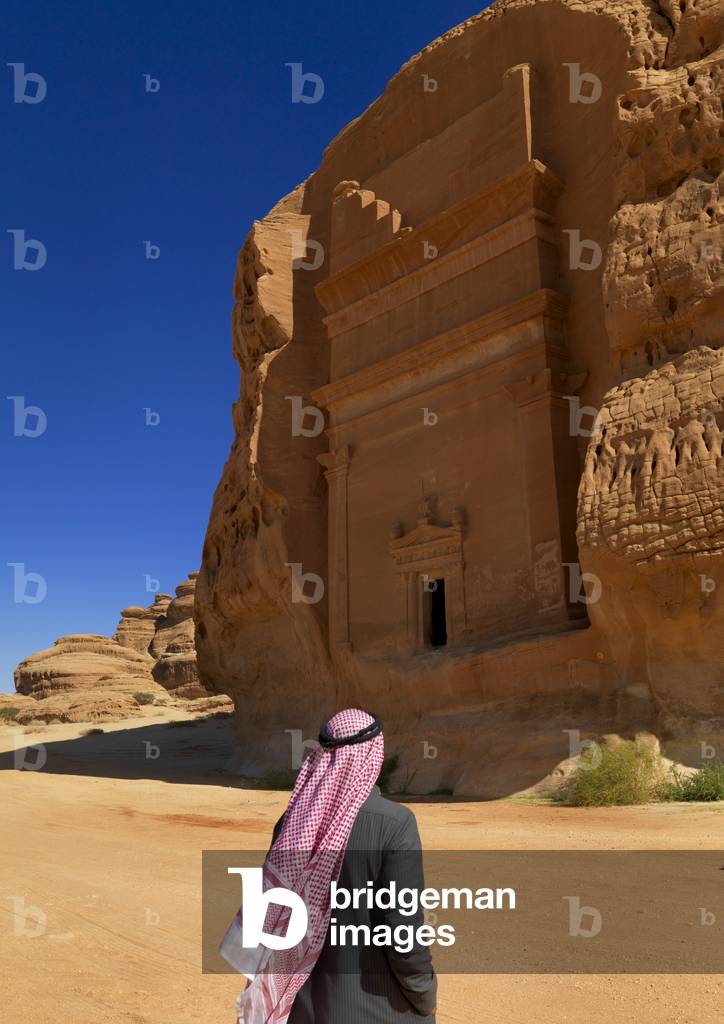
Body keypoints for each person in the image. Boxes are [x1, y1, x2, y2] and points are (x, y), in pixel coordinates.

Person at [220, 708, 437, 1024]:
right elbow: (403, 936)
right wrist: (425, 996)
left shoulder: (291, 824)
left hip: (301, 1011)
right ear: (373, 755)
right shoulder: (396, 824)